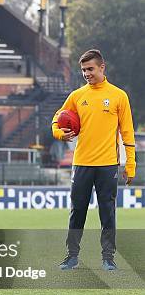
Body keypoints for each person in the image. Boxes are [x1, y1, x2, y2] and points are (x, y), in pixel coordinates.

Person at [52, 49, 136, 271]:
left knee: (107, 212)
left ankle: (108, 258)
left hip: (108, 164)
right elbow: (56, 121)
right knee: (77, 210)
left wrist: (130, 165)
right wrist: (61, 134)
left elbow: (128, 133)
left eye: (90, 69)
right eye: (83, 70)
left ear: (102, 67)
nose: (86, 74)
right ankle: (71, 256)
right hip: (81, 164)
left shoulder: (119, 96)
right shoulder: (77, 96)